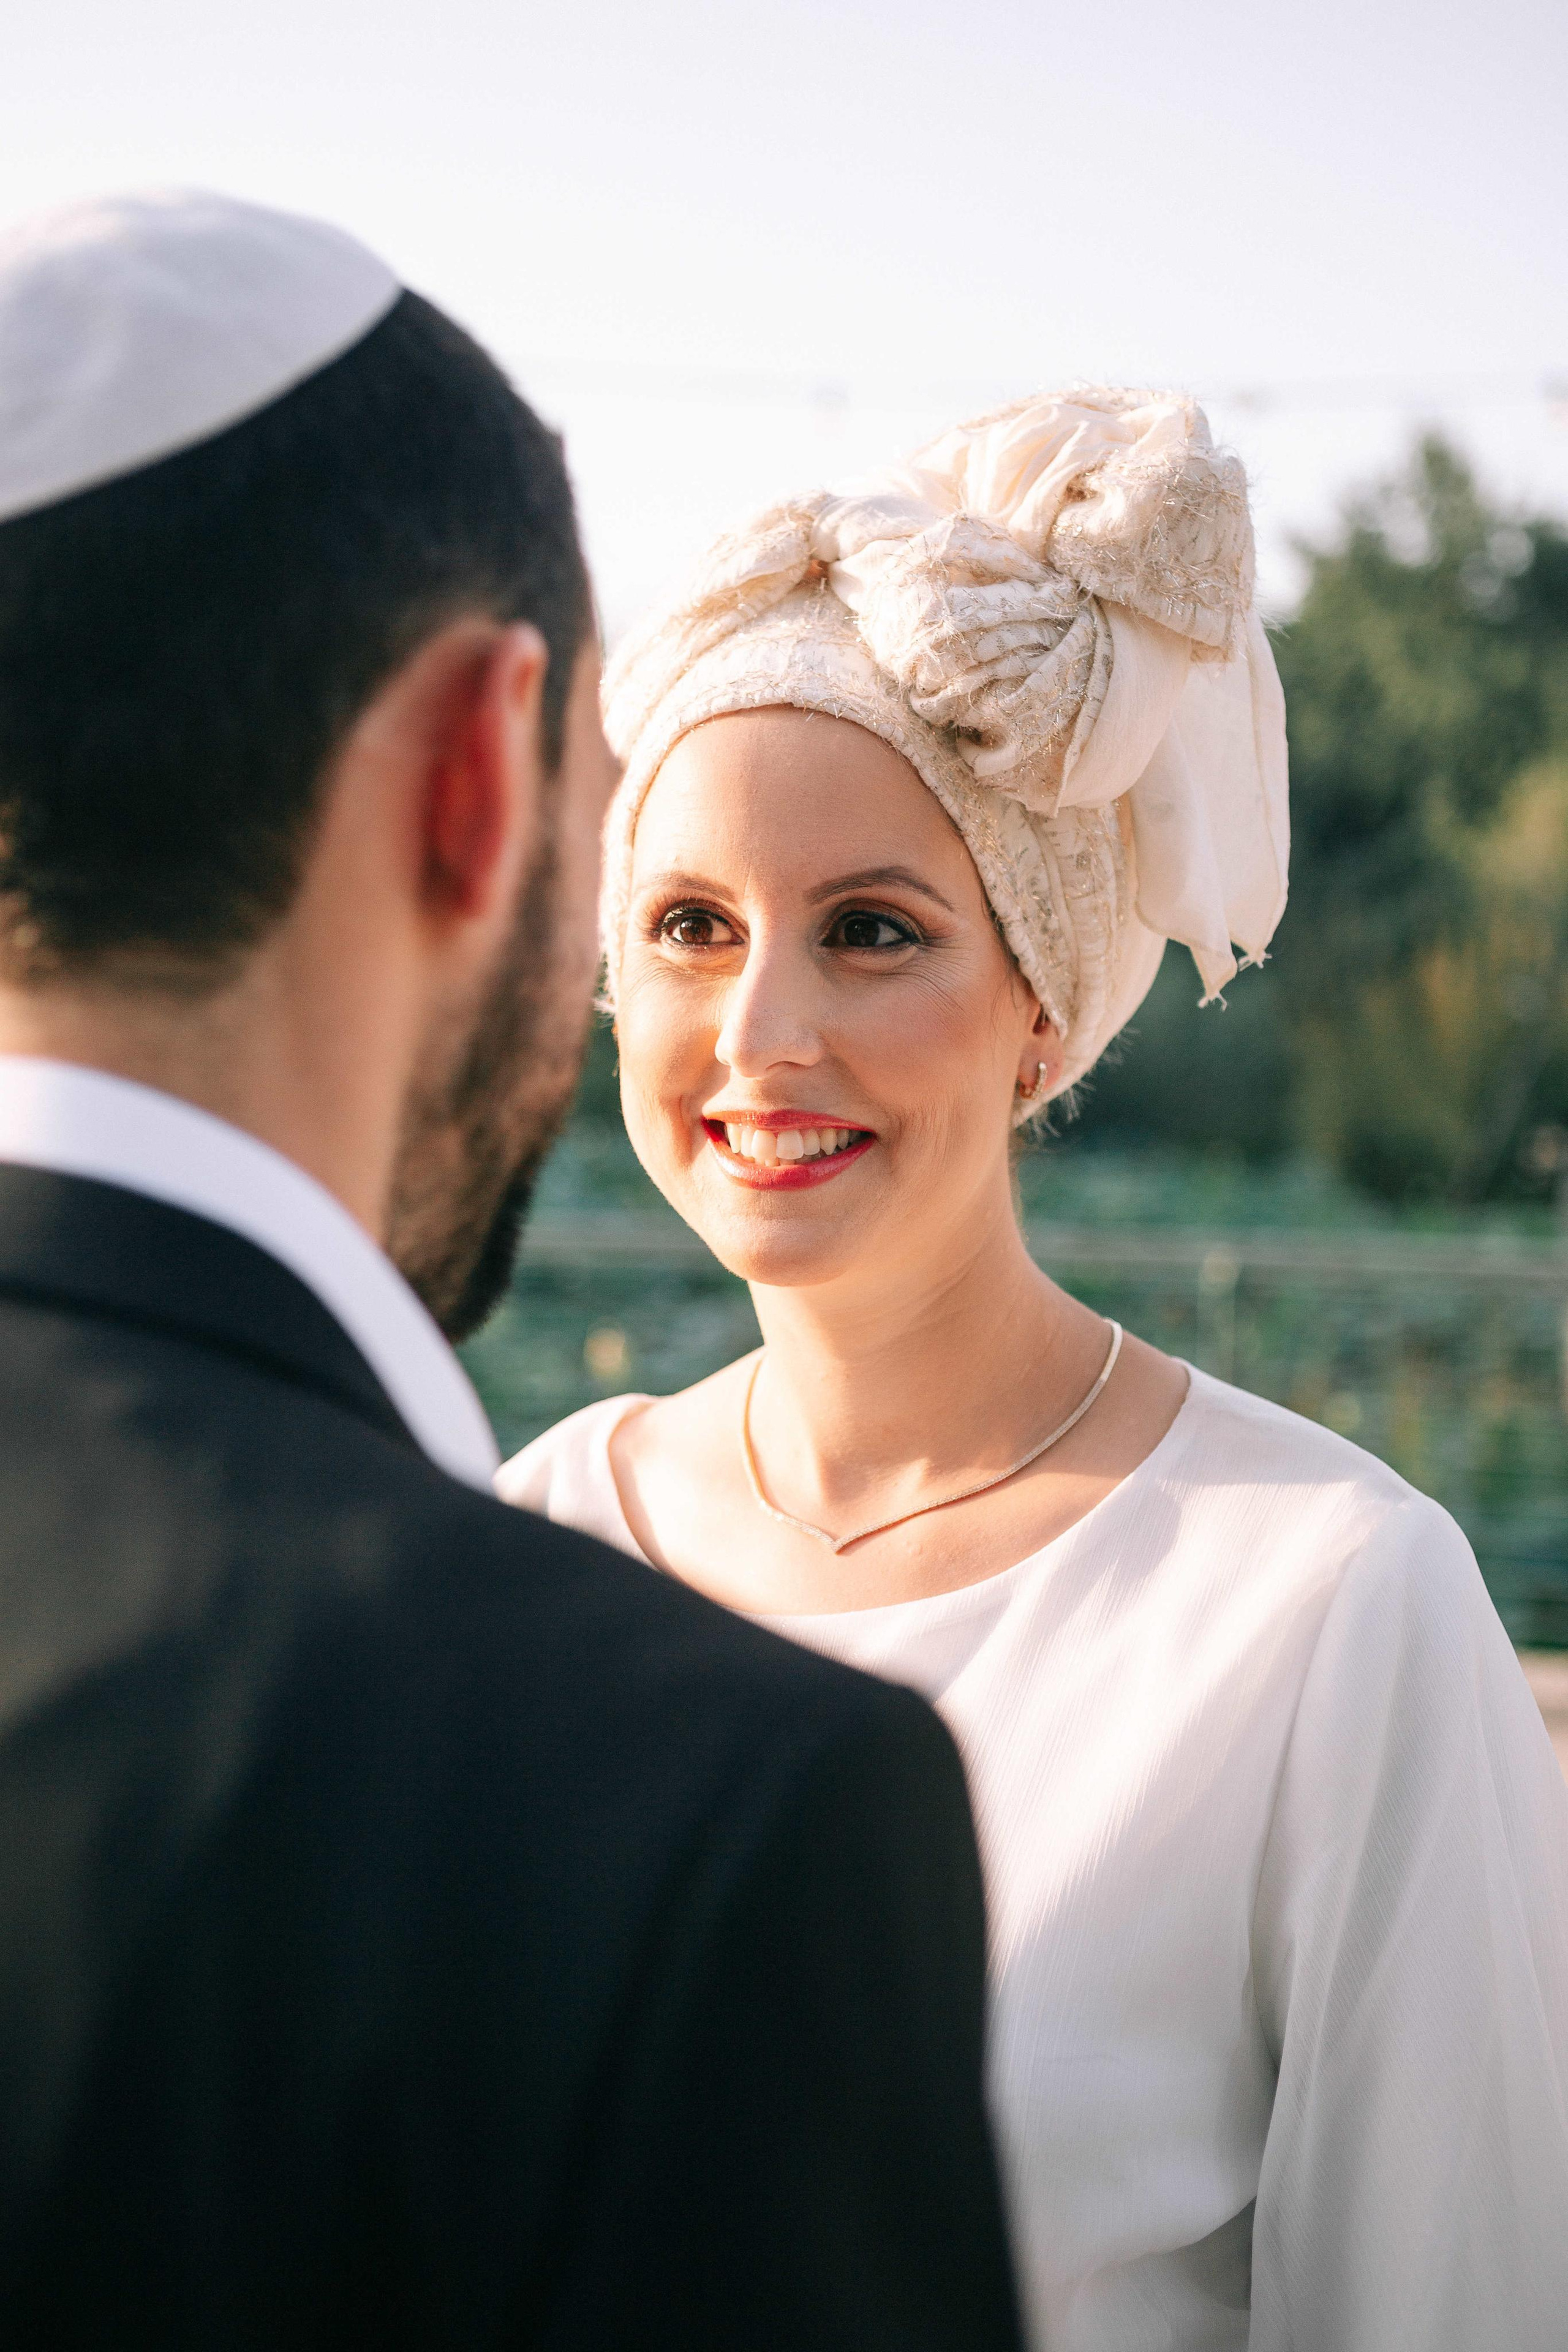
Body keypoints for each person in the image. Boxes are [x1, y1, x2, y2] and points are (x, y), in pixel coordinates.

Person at [0, 192, 1025, 2350]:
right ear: (483, 777)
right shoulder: (701, 1821)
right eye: (657, 898)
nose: (755, 1030)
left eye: (870, 929)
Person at [503, 390, 1568, 2351]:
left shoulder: (1329, 1607)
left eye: (874, 932)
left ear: (1040, 1010)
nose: (762, 1030)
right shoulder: (530, 1544)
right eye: (690, 926)